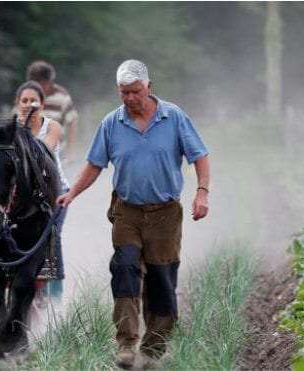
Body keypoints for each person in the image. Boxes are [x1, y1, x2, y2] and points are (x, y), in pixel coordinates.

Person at [57, 60, 210, 369]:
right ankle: (127, 343)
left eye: (135, 92)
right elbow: (94, 165)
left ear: (148, 87)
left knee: (161, 279)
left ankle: (154, 349)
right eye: (124, 93)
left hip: (166, 213)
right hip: (126, 211)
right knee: (125, 268)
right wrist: (72, 193)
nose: (129, 98)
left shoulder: (174, 117)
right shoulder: (112, 124)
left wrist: (202, 192)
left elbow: (200, 155)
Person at [15, 80, 71, 301]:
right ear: (18, 104)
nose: (29, 104)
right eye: (25, 100)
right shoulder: (10, 128)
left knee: (52, 237)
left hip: (55, 191)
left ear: (43, 104)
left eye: (34, 100)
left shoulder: (52, 126)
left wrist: (22, 132)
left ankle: (56, 291)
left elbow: (43, 148)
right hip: (24, 196)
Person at [26, 60, 79, 163]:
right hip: (30, 150)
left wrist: (71, 151)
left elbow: (72, 121)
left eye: (42, 84)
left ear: (49, 82)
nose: (39, 89)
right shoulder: (26, 96)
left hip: (58, 151)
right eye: (35, 85)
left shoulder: (62, 96)